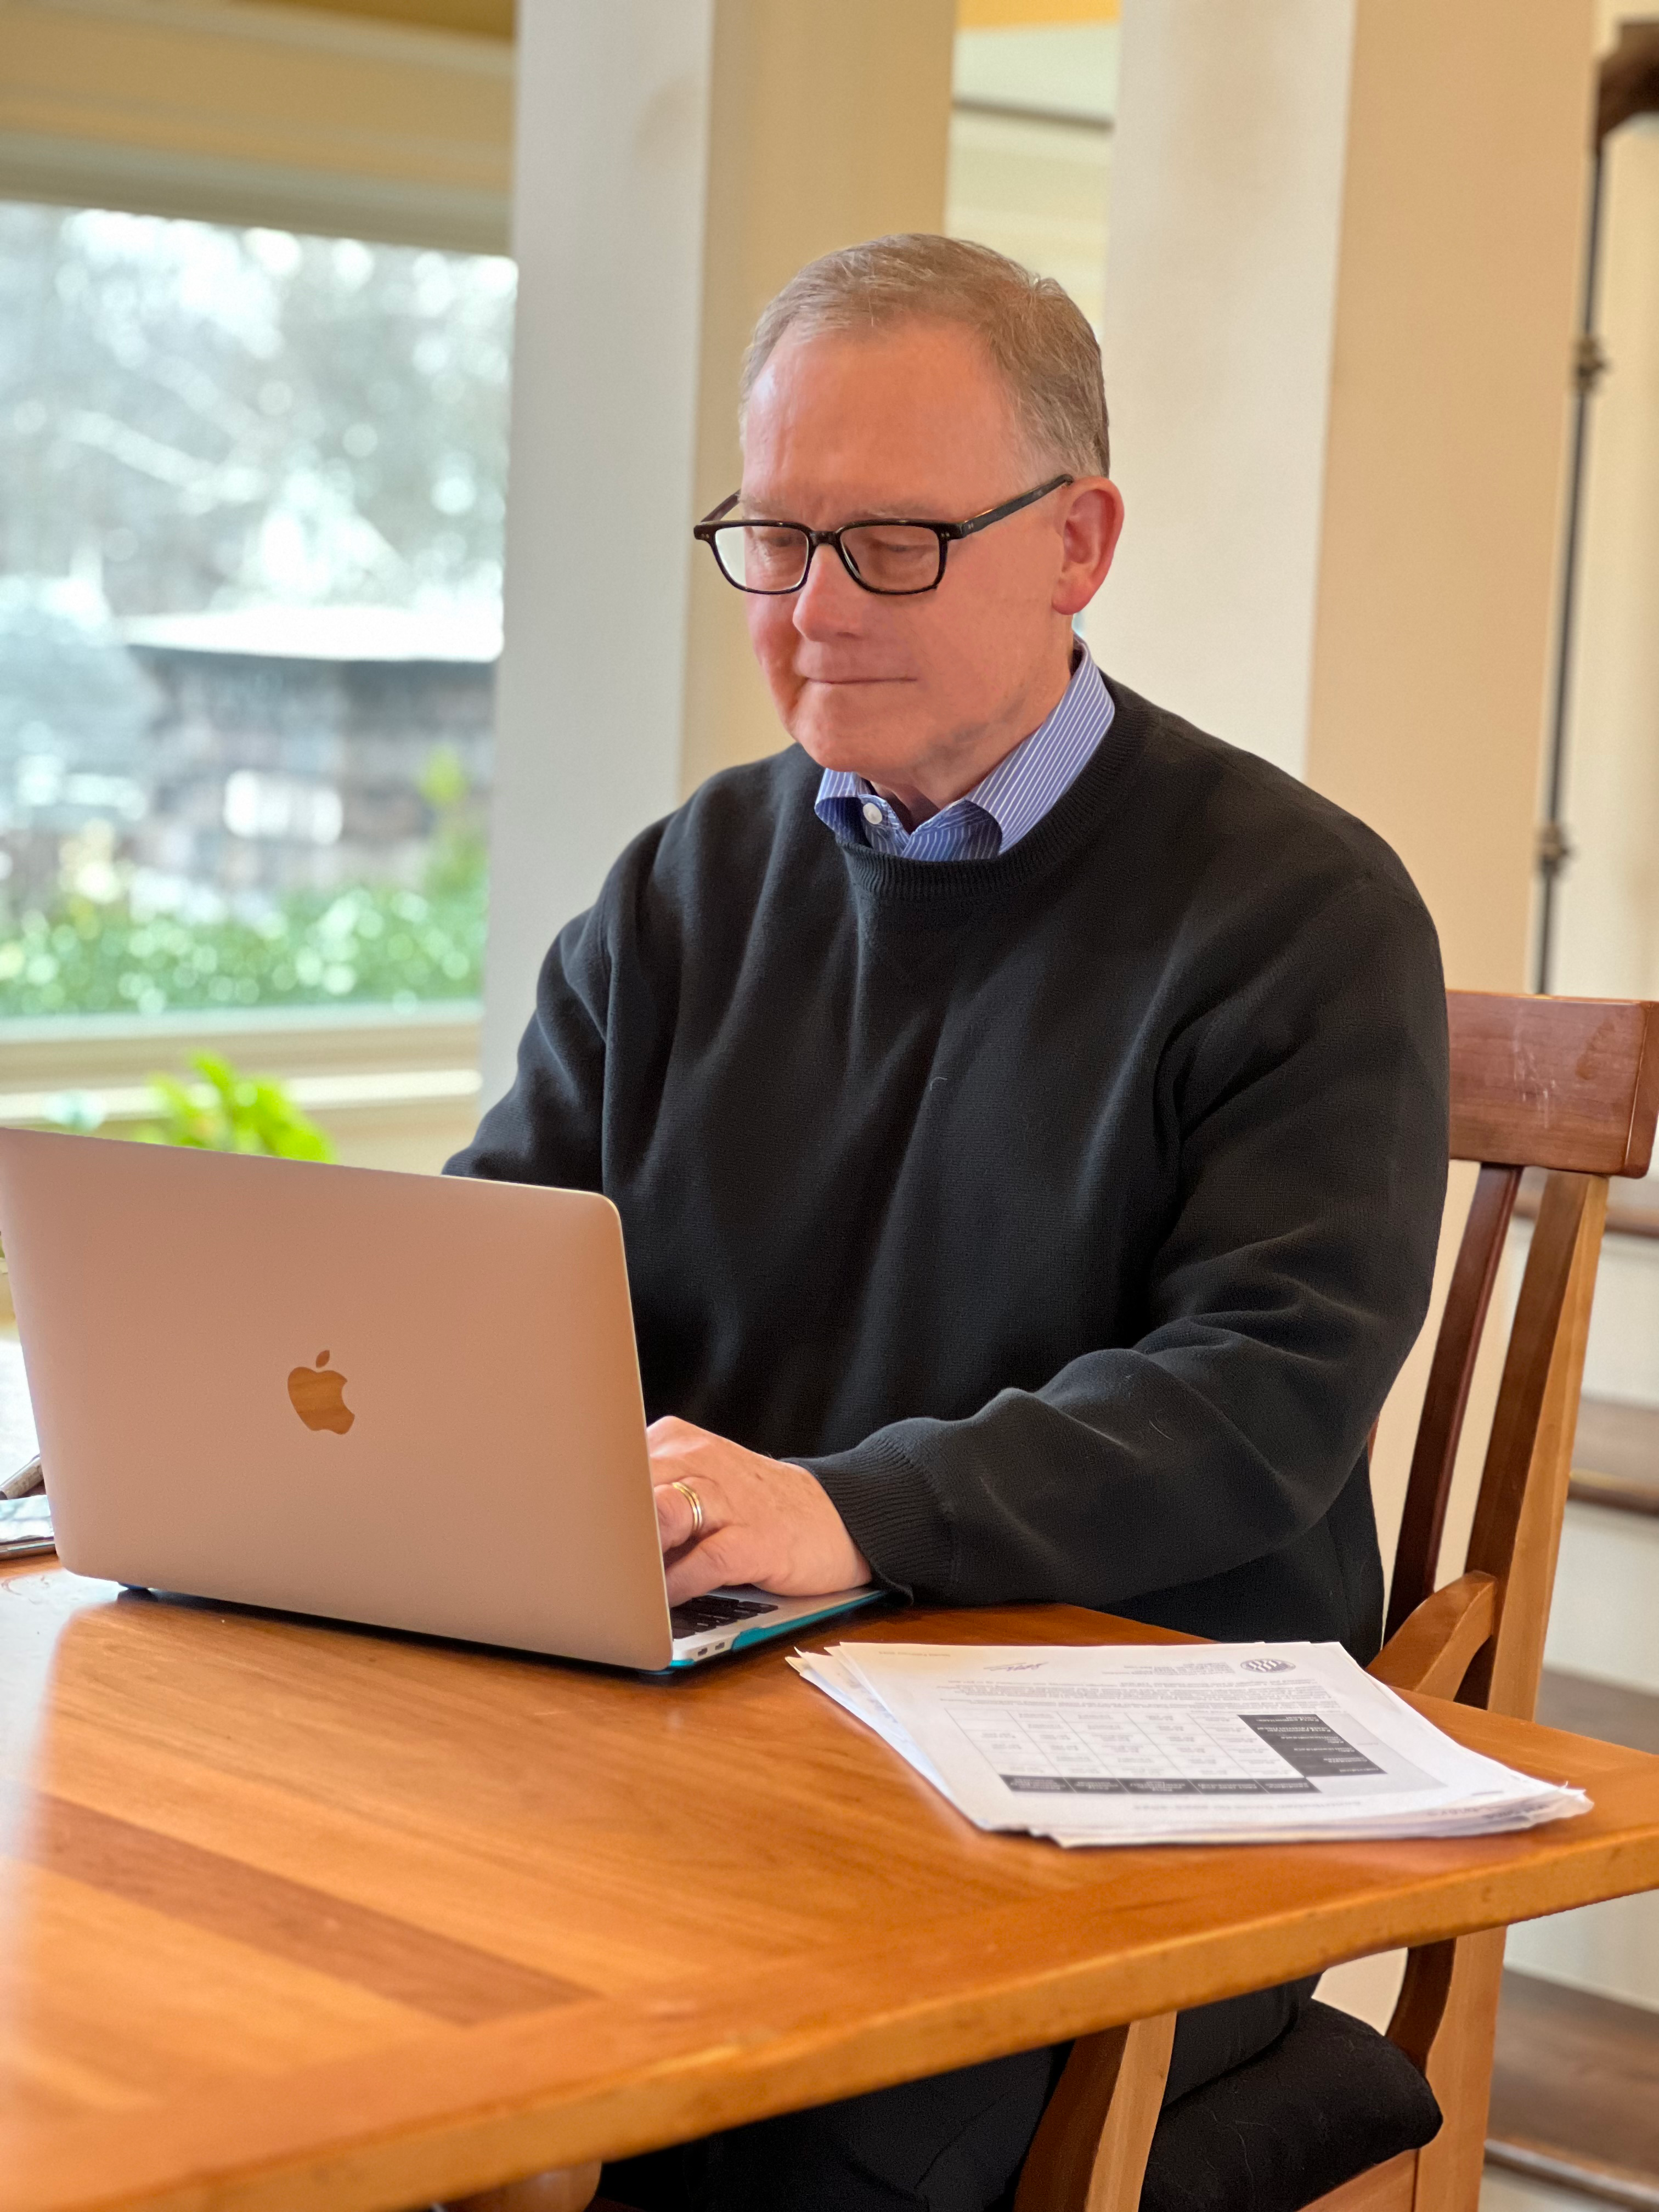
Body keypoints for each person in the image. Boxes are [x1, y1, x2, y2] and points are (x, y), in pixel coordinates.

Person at [447, 234, 1449, 2212]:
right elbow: (507, 1266)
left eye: (889, 543)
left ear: (1078, 543)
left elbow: (1264, 1394)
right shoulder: (686, 885)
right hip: (731, 1727)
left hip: (1121, 1772)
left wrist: (854, 1512)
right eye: (773, 536)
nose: (813, 607)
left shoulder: (1301, 911)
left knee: (701, 2127)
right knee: (351, 1980)